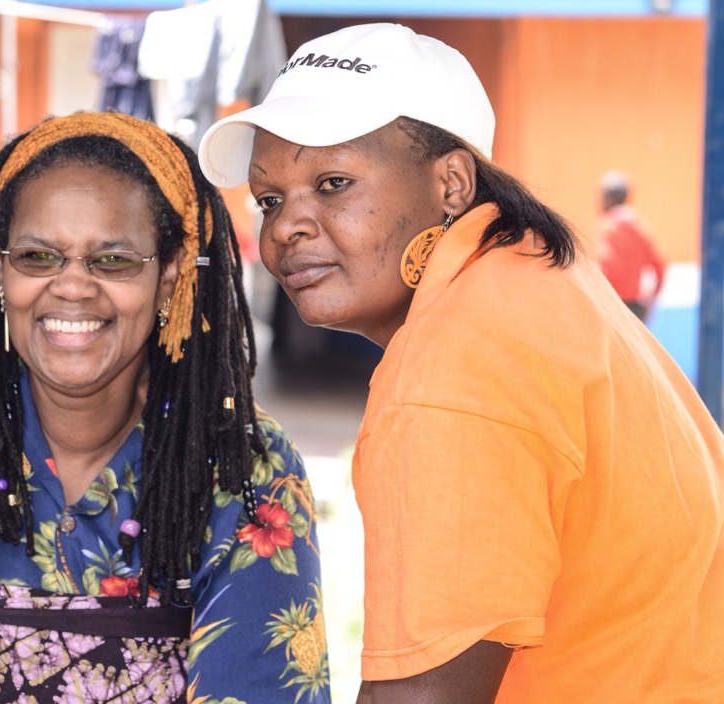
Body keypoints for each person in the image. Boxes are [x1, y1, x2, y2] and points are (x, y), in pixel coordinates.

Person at [198, 22, 724, 704]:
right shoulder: (537, 278)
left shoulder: (454, 371)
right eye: (269, 200)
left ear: (451, 183)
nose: (285, 227)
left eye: (332, 183)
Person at [0, 111, 331, 704]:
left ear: (171, 273)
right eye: (38, 257)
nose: (72, 286)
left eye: (113, 260)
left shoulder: (245, 468)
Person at [593, 170, 666, 322]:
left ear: (609, 198)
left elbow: (607, 266)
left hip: (613, 304)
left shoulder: (608, 226)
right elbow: (660, 264)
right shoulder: (640, 226)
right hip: (636, 306)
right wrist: (651, 297)